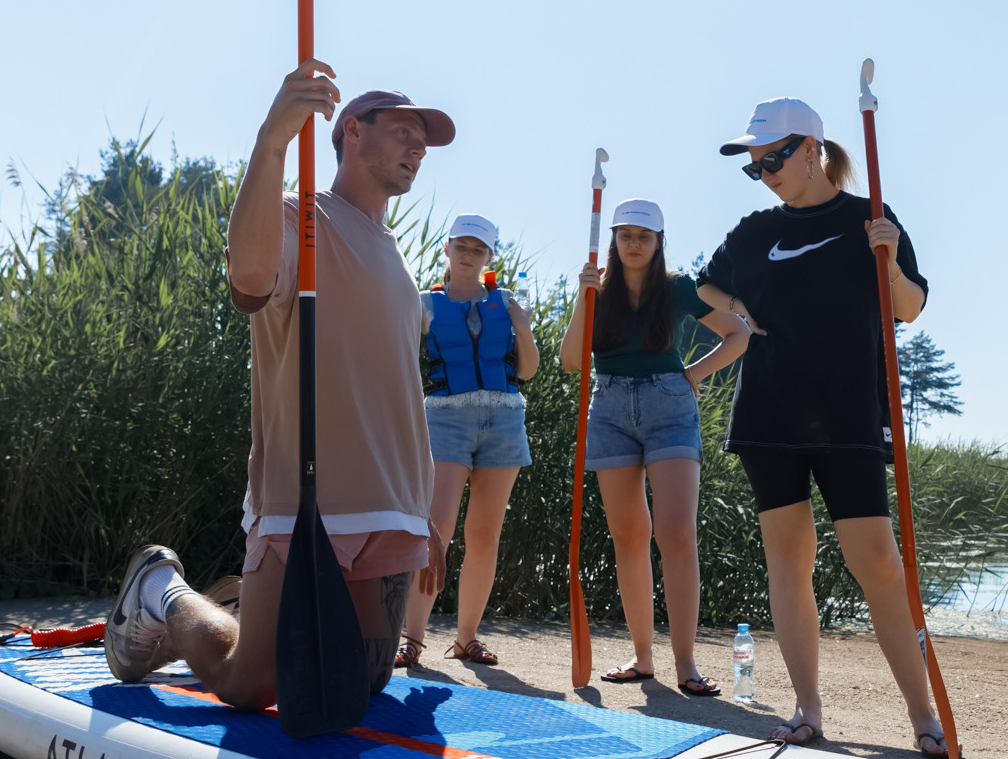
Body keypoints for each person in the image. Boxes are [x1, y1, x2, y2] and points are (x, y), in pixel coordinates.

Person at [104, 71, 452, 709]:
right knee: (252, 684)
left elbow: (398, 385)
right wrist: (272, 142)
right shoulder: (302, 217)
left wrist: (422, 506)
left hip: (393, 499)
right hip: (307, 496)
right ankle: (163, 590)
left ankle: (245, 601)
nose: (417, 148)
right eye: (404, 132)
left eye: (422, 141)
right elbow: (249, 277)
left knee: (364, 679)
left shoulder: (395, 251)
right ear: (351, 130)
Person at [694, 98, 945, 756]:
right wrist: (742, 322)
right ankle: (807, 708)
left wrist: (887, 262)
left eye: (775, 158)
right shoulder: (754, 232)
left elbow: (911, 308)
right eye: (756, 167)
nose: (767, 172)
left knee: (879, 565)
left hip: (849, 414)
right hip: (769, 414)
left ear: (812, 148)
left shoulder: (872, 217)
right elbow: (706, 290)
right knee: (789, 558)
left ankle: (923, 713)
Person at [559, 198, 750, 695]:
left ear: (659, 242)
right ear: (615, 241)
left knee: (675, 532)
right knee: (627, 535)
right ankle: (644, 660)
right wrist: (584, 297)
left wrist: (692, 375)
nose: (634, 243)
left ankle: (685, 665)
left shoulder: (678, 288)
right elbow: (571, 361)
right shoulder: (597, 290)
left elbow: (738, 334)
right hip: (610, 408)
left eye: (644, 235)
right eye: (625, 234)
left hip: (670, 407)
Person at [395, 212, 540, 669]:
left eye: (478, 249)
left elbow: (529, 369)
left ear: (490, 256)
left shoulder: (508, 302)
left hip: (504, 419)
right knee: (436, 529)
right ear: (447, 248)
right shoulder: (424, 304)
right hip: (445, 420)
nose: (469, 255)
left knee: (484, 534)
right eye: (462, 246)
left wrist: (523, 326)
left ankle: (467, 639)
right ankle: (411, 640)